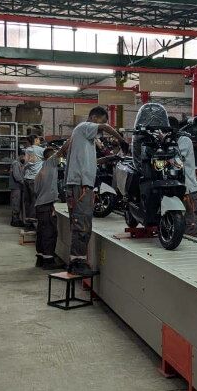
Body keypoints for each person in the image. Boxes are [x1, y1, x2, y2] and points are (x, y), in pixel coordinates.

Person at [63, 107, 127, 276]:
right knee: (82, 225)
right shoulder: (84, 127)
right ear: (93, 118)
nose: (102, 128)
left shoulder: (85, 139)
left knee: (82, 224)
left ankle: (77, 262)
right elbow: (106, 128)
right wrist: (122, 140)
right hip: (80, 186)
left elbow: (92, 161)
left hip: (80, 185)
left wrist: (111, 158)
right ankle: (77, 264)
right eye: (101, 122)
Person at [169, 116, 197, 236]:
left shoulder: (184, 140)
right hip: (174, 190)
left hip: (189, 191)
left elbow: (177, 163)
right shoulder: (168, 142)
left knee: (190, 227)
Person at [34, 147, 61, 269]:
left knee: (41, 233)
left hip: (40, 205)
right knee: (49, 233)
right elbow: (59, 153)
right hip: (45, 207)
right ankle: (48, 261)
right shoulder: (50, 163)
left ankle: (40, 259)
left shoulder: (40, 171)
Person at [23, 135, 44, 229]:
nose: (40, 140)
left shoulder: (27, 149)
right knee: (34, 200)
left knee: (28, 201)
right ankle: (32, 222)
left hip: (26, 178)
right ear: (35, 140)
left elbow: (25, 162)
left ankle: (27, 222)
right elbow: (51, 155)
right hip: (34, 179)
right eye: (38, 139)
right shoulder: (40, 150)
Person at [9, 151, 25, 227]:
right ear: (21, 156)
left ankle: (17, 219)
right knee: (16, 203)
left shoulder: (20, 164)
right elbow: (17, 176)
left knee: (18, 204)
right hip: (16, 187)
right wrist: (23, 182)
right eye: (25, 157)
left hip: (18, 187)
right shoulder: (16, 163)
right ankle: (14, 220)